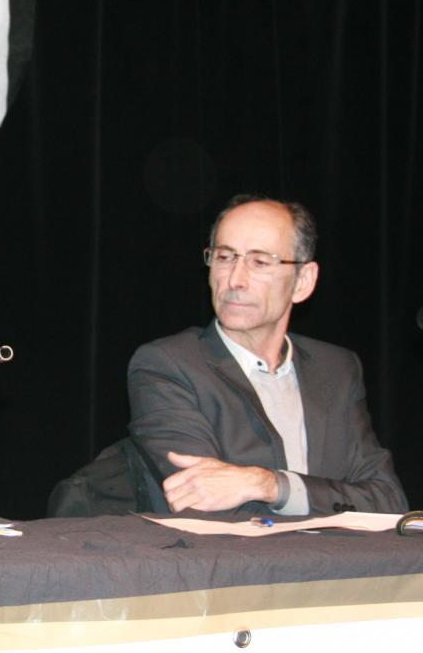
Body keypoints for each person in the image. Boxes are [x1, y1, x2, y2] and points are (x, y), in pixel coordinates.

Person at [127, 195, 407, 516]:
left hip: (340, 563)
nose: (235, 280)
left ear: (303, 281)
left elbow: (387, 499)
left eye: (259, 262)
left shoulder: (337, 369)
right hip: (230, 565)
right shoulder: (168, 365)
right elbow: (201, 502)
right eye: (224, 257)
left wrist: (267, 485)